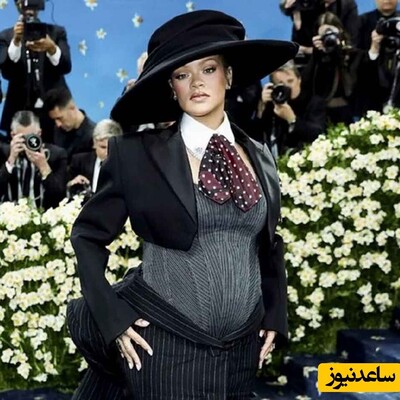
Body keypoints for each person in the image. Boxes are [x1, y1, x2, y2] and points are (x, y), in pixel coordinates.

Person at [67, 9, 298, 399]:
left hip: (243, 354)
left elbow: (269, 244)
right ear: (171, 88)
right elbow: (87, 236)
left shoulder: (260, 155)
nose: (196, 83)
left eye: (208, 69)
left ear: (229, 75)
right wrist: (113, 318)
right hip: (163, 348)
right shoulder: (134, 156)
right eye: (181, 74)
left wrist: (276, 314)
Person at [0, 0, 71, 141]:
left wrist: (51, 48)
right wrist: (16, 41)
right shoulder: (6, 36)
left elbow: (65, 67)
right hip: (19, 110)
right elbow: (7, 72)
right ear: (17, 5)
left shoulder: (56, 33)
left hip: (54, 111)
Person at [301, 11, 365, 125]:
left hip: (347, 111)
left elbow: (350, 85)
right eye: (323, 35)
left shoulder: (353, 55)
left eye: (331, 33)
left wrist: (337, 51)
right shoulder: (318, 56)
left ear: (340, 31)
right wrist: (317, 54)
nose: (328, 38)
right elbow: (307, 83)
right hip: (322, 114)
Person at [253, 61, 326, 157]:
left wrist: (292, 119)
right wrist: (261, 106)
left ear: (299, 79)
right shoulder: (273, 103)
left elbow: (318, 134)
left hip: (306, 156)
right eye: (281, 83)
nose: (287, 87)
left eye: (290, 81)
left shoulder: (314, 101)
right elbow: (255, 134)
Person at [0, 110, 67, 209]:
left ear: (39, 133)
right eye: (23, 138)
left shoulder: (56, 155)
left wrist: (44, 167)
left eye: (31, 137)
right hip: (9, 215)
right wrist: (10, 161)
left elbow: (60, 196)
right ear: (13, 135)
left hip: (44, 216)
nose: (27, 142)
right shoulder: (2, 153)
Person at [279, 0, 359, 70]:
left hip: (339, 59)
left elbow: (351, 42)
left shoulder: (346, 5)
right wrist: (295, 12)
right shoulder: (310, 4)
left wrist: (309, 50)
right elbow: (300, 43)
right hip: (311, 61)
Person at [355, 0, 400, 114]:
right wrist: (374, 48)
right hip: (370, 87)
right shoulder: (362, 21)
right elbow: (355, 56)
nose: (387, 0)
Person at [67, 118, 122, 199]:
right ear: (94, 143)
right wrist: (72, 184)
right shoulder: (79, 162)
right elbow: (66, 190)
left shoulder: (124, 165)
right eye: (103, 147)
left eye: (111, 148)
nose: (107, 152)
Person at [43, 87, 95, 163]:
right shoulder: (58, 129)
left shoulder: (93, 137)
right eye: (54, 119)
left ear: (72, 108)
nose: (58, 124)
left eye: (60, 118)